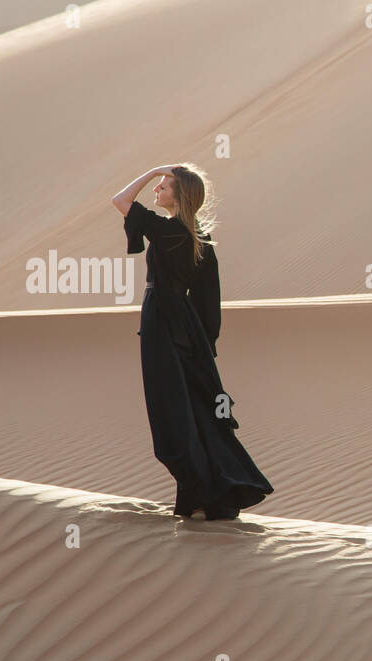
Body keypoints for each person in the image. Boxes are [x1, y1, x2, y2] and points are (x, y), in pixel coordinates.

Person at [111, 164, 273, 520]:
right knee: (191, 409)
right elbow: (208, 300)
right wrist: (202, 344)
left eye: (164, 187)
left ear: (179, 196)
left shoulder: (171, 232)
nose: (157, 191)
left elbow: (120, 200)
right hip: (182, 326)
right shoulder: (196, 236)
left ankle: (201, 492)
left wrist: (152, 170)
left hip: (163, 324)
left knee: (171, 412)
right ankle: (203, 494)